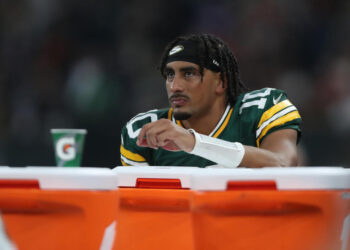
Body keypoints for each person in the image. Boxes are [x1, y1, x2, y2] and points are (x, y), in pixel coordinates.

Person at [120, 34, 302, 168]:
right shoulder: (142, 131)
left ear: (221, 82)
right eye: (170, 75)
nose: (174, 86)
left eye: (189, 74)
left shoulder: (264, 107)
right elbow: (137, 209)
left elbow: (283, 164)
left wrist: (194, 143)